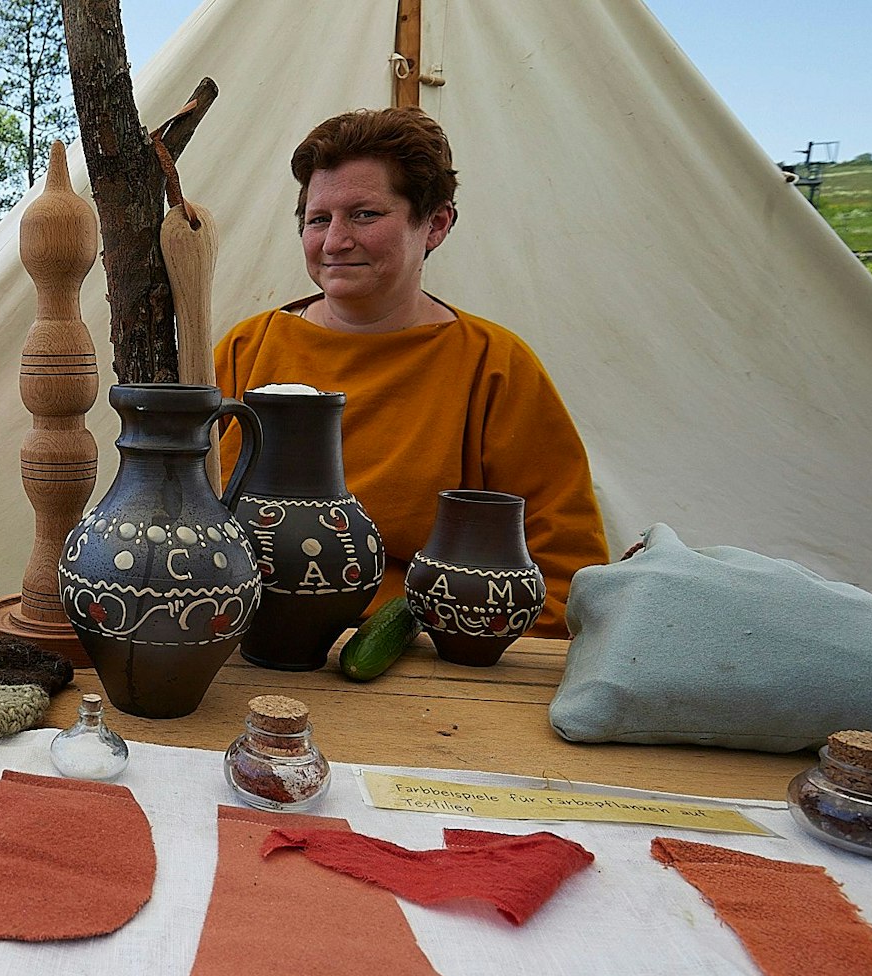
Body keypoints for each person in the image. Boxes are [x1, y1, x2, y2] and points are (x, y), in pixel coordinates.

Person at [215, 107, 607, 636]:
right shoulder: (246, 349)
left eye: (364, 215)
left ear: (436, 223)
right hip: (240, 641)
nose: (334, 241)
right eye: (317, 219)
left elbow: (566, 575)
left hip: (422, 660)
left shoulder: (495, 367)